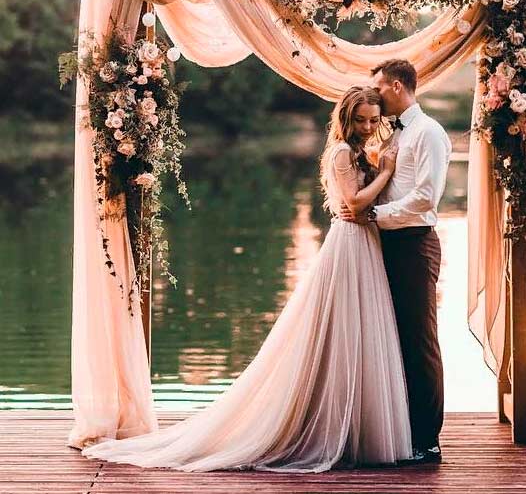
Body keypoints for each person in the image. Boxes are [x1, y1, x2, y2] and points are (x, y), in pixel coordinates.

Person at [82, 86, 412, 472]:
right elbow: (354, 204)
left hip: (365, 243)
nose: (368, 127)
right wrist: (387, 170)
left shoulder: (361, 151)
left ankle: (356, 424)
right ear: (345, 118)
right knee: (338, 331)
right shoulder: (341, 152)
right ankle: (323, 425)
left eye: (374, 120)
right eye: (361, 120)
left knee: (361, 332)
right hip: (350, 244)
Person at [341, 59, 451, 463]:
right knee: (391, 338)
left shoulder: (429, 134)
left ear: (398, 86)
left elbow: (426, 198)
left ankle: (427, 440)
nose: (376, 96)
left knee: (420, 341)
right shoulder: (392, 135)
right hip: (384, 244)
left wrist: (373, 216)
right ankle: (399, 431)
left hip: (414, 245)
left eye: (380, 88)